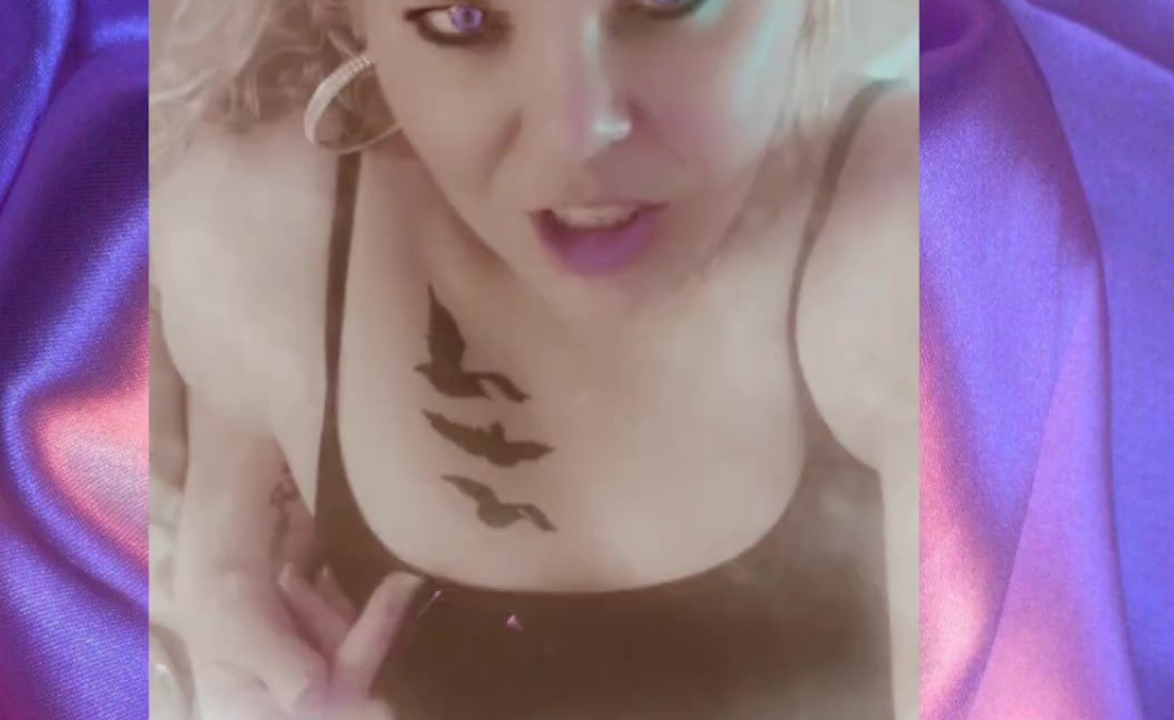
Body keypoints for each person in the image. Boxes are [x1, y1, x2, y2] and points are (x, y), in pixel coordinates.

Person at [150, 1, 920, 718]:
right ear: (346, 15)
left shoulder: (928, 246)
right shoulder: (261, 238)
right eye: (464, 18)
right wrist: (224, 575)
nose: (577, 135)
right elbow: (233, 505)